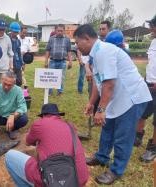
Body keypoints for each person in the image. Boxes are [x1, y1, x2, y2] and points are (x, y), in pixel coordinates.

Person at [74, 24, 151, 185]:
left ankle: (116, 170)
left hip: (132, 97)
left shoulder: (104, 51)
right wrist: (91, 103)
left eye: (78, 42)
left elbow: (109, 84)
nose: (77, 47)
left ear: (87, 38)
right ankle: (102, 156)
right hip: (117, 97)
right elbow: (98, 82)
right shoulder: (95, 54)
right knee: (107, 126)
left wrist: (101, 110)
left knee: (123, 135)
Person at [5, 103, 89, 187]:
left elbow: (27, 142)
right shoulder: (70, 126)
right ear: (58, 115)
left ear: (43, 115)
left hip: (51, 180)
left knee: (9, 155)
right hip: (79, 180)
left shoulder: (39, 124)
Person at [134, 15, 156, 162]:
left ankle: (153, 148)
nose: (150, 29)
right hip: (149, 84)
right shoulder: (153, 42)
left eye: (153, 26)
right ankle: (137, 137)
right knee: (142, 112)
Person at [0, 71, 28, 140]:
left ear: (14, 83)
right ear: (1, 80)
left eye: (9, 85)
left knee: (24, 119)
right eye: (4, 84)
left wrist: (13, 115)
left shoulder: (19, 90)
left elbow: (22, 106)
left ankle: (12, 129)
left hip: (13, 118)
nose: (6, 87)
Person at [45, 24, 72, 96]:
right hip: (52, 61)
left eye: (61, 31)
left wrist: (70, 61)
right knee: (50, 77)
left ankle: (59, 91)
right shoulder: (51, 39)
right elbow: (47, 50)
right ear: (55, 31)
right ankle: (49, 92)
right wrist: (46, 61)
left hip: (62, 61)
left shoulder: (67, 39)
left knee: (61, 77)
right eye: (58, 30)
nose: (60, 32)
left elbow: (69, 51)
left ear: (64, 31)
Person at [9, 22, 23, 86]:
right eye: (14, 32)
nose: (16, 34)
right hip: (9, 64)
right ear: (11, 30)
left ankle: (17, 94)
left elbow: (19, 53)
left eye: (17, 32)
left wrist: (21, 63)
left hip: (17, 64)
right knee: (10, 81)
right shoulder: (7, 40)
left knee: (19, 81)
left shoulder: (18, 41)